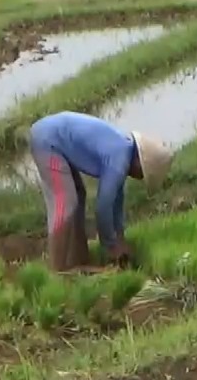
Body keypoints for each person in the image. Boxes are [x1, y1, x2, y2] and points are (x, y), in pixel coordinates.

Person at [29, 111, 173, 272]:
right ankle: (57, 271)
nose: (139, 178)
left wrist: (120, 238)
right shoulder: (118, 161)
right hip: (48, 141)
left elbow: (116, 203)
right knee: (65, 202)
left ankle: (79, 259)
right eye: (142, 174)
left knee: (78, 195)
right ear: (140, 164)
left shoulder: (123, 150)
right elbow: (103, 208)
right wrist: (111, 245)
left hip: (52, 135)